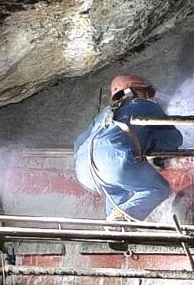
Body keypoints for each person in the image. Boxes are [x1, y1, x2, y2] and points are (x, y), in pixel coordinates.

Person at [74, 73, 183, 222]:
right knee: (158, 188)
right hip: (114, 162)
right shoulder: (145, 105)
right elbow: (171, 138)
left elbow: (79, 141)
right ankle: (121, 218)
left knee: (118, 190)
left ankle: (114, 227)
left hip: (83, 170)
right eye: (145, 91)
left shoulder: (104, 114)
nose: (149, 96)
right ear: (134, 91)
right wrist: (158, 155)